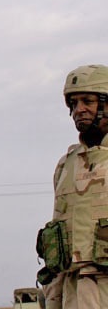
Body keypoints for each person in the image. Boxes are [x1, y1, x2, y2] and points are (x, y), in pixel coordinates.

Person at [37, 64, 108, 309]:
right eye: (73, 103)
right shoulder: (65, 166)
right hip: (73, 292)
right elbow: (57, 245)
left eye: (88, 101)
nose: (79, 110)